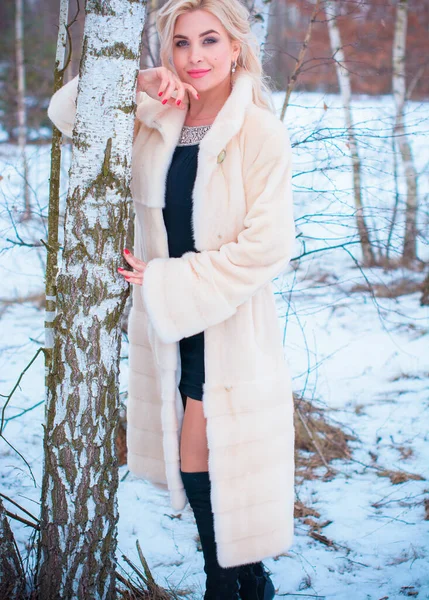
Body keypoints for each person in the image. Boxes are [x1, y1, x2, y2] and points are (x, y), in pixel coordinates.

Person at [47, 0, 296, 598]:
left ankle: (228, 583)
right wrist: (133, 80)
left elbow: (267, 248)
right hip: (170, 322)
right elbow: (65, 114)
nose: (194, 56)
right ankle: (245, 581)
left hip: (226, 318)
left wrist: (167, 279)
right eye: (180, 43)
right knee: (196, 458)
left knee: (208, 455)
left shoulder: (258, 131)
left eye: (209, 41)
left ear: (236, 46)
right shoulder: (160, 112)